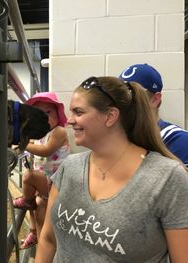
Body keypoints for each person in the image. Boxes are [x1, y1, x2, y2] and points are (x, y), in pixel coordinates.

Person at [36, 76, 188, 262]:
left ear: (110, 116)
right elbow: (48, 240)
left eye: (78, 112)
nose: (69, 120)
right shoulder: (70, 167)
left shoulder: (167, 178)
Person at [13, 92, 70, 249]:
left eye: (48, 112)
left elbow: (46, 150)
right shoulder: (38, 134)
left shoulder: (58, 131)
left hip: (57, 182)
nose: (44, 117)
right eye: (39, 113)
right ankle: (34, 233)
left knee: (28, 177)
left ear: (58, 115)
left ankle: (27, 200)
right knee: (36, 207)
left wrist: (21, 144)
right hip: (45, 182)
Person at [119, 63, 188, 166]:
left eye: (132, 95)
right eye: (120, 95)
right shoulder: (117, 138)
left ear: (155, 99)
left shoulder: (181, 141)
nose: (123, 103)